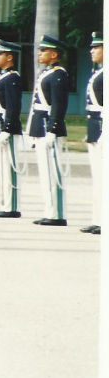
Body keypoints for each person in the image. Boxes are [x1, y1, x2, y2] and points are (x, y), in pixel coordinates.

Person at [29, 35, 70, 226]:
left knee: (53, 172)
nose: (40, 53)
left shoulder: (58, 74)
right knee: (45, 173)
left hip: (48, 128)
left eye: (44, 51)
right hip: (41, 127)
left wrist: (53, 130)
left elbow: (58, 105)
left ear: (54, 54)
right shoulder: (46, 74)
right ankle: (50, 211)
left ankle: (57, 214)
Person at [0, 40, 23, 218]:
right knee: (2, 169)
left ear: (9, 57)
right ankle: (6, 204)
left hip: (4, 127)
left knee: (9, 168)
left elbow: (13, 106)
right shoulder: (2, 77)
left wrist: (7, 129)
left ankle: (12, 207)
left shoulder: (12, 78)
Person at [82, 32, 102, 235]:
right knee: (98, 177)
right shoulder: (99, 72)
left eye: (97, 47)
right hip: (95, 128)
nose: (92, 50)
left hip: (103, 128)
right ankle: (98, 219)